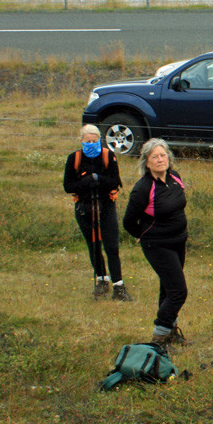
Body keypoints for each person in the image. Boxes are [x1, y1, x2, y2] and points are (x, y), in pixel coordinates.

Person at [122, 139, 189, 347]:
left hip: (179, 241)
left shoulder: (175, 178)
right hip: (158, 245)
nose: (160, 160)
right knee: (179, 291)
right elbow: (128, 222)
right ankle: (158, 338)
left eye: (163, 155)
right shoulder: (143, 188)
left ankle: (171, 333)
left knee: (168, 289)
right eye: (155, 157)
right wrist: (144, 235)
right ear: (147, 163)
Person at [63, 124, 131, 301]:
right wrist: (86, 182)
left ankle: (119, 286)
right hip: (84, 208)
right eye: (88, 141)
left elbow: (115, 181)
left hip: (106, 206)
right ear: (82, 141)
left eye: (95, 141)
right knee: (93, 246)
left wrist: (98, 179)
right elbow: (68, 186)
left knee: (112, 247)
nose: (91, 144)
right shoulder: (74, 159)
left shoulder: (108, 156)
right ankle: (101, 280)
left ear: (99, 140)